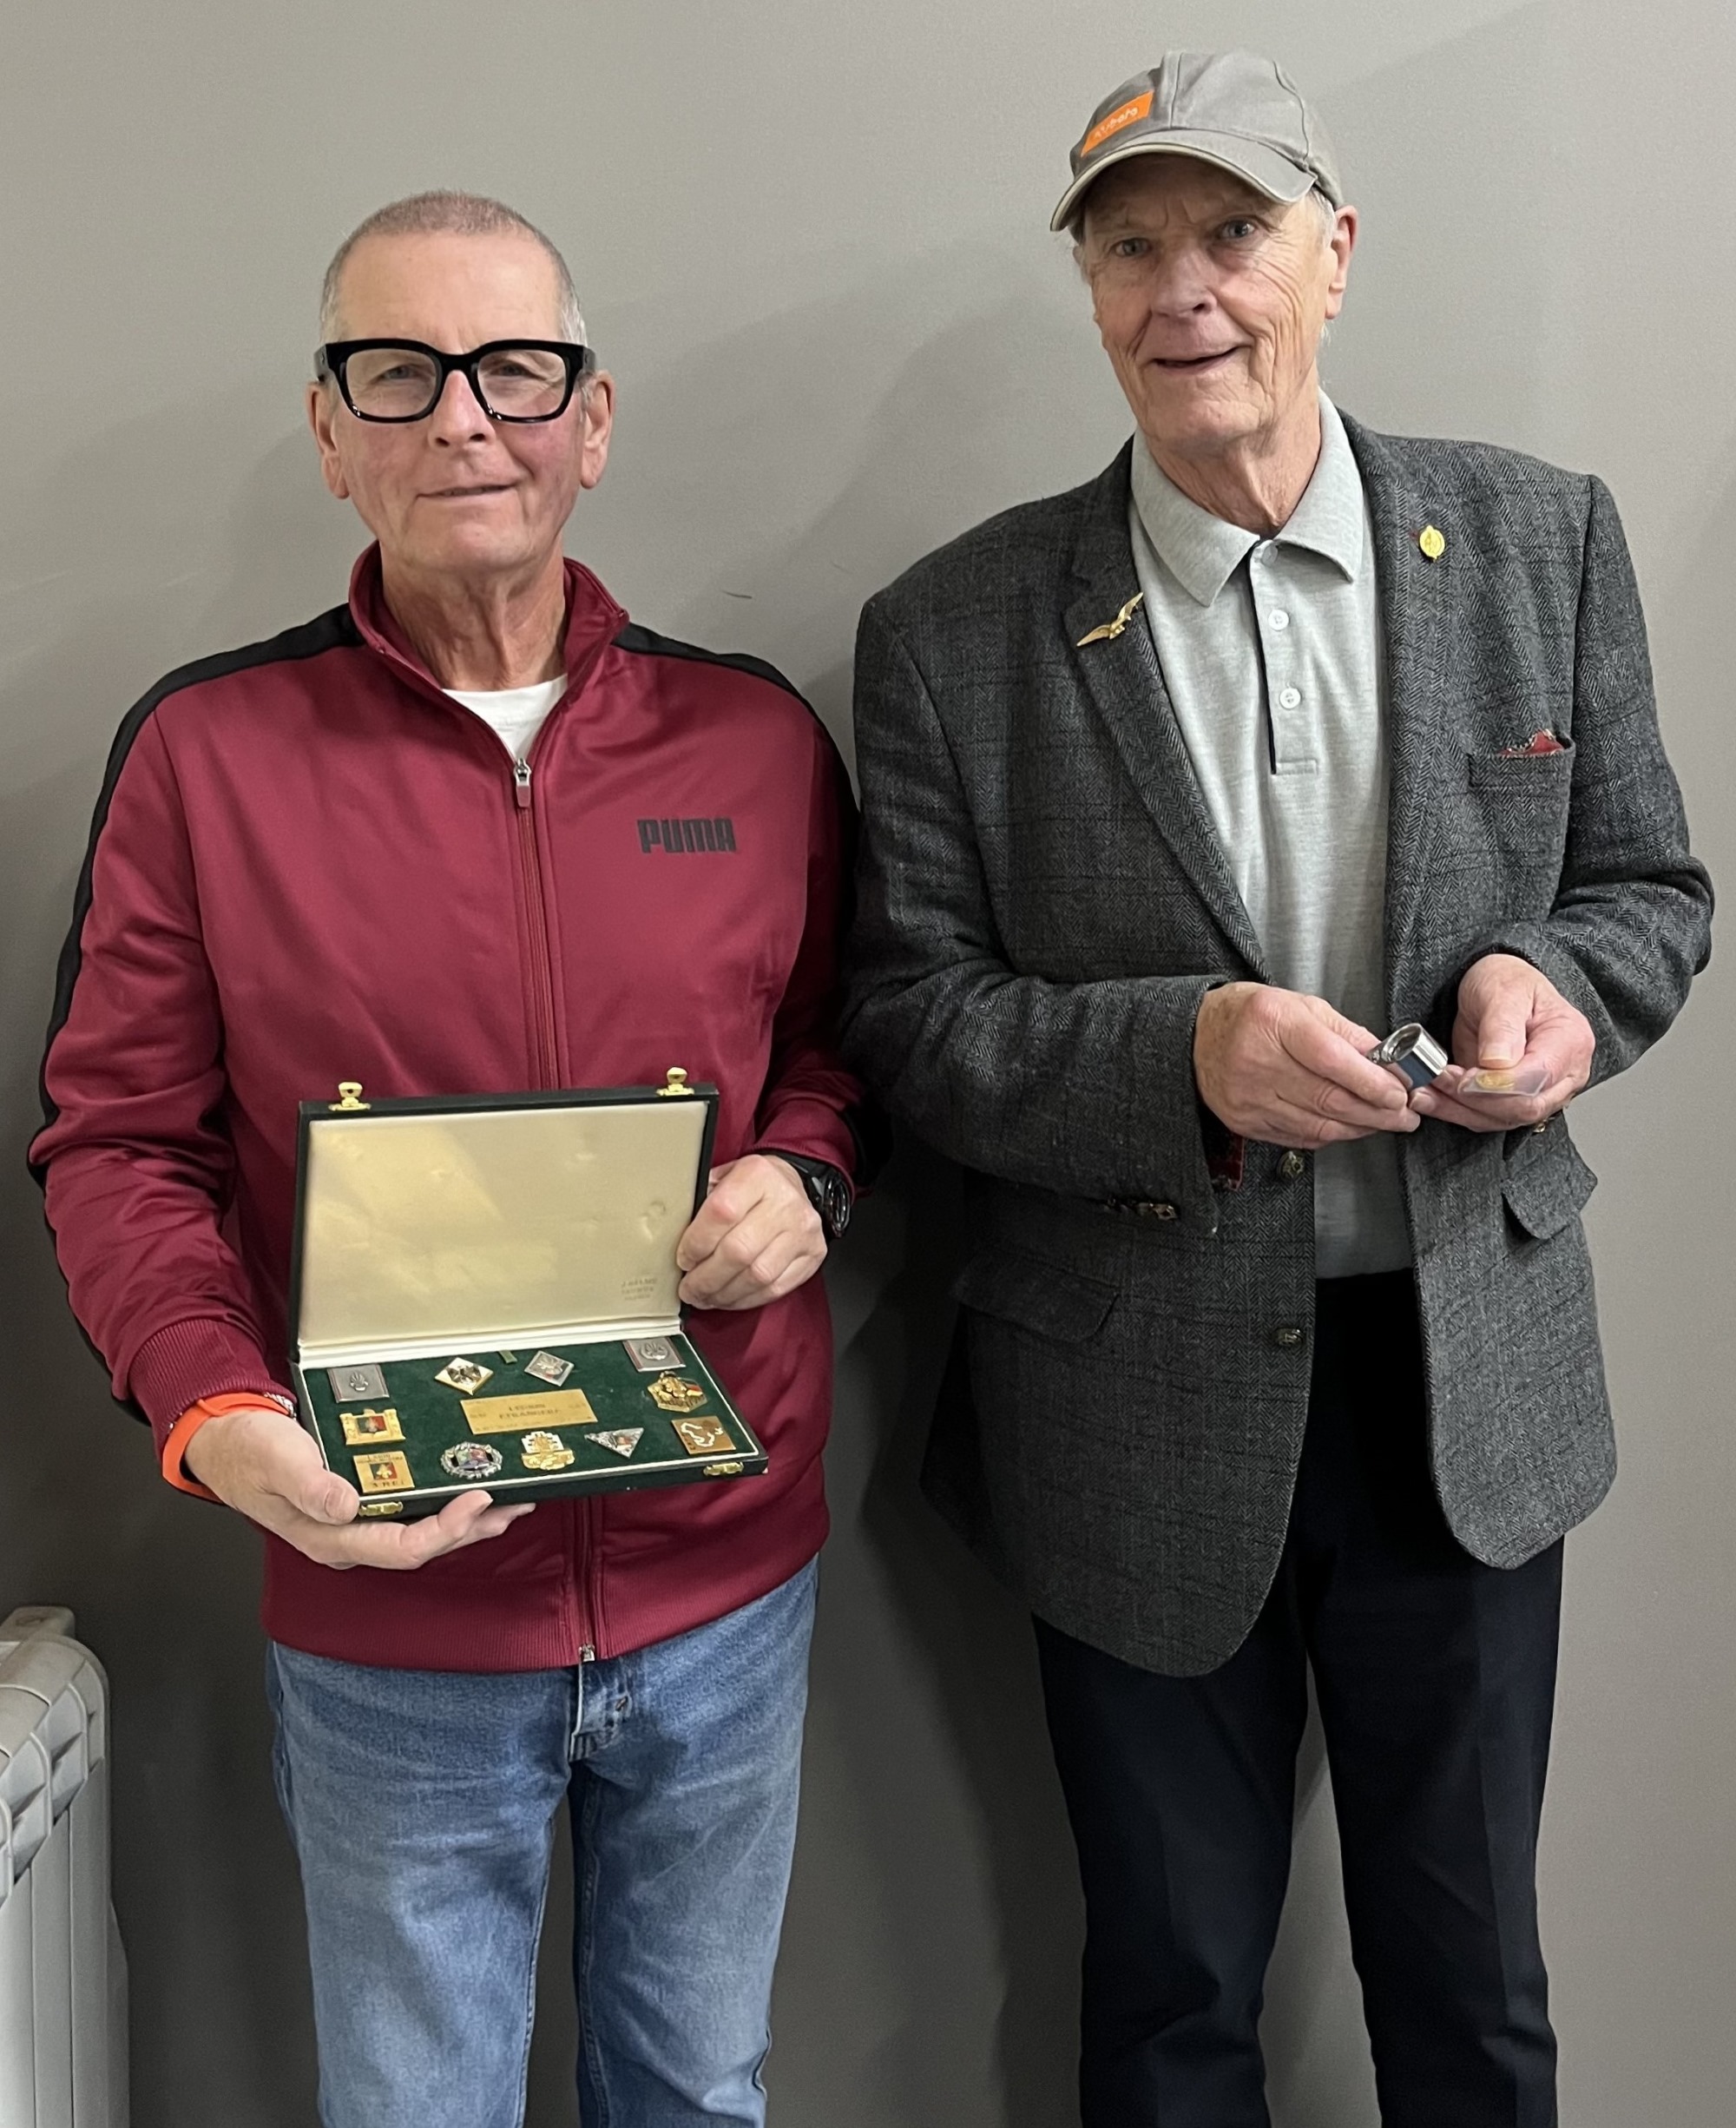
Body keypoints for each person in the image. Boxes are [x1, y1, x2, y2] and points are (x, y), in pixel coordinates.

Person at [843, 50, 1711, 2128]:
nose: (1182, 292)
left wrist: (1550, 978)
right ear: (1088, 289)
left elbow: (1650, 892)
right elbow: (912, 1016)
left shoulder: (1538, 539)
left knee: (1472, 1989)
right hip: (1119, 1411)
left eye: (1231, 232)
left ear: (1332, 252)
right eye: (1126, 246)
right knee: (1163, 2003)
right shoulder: (954, 630)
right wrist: (1184, 1055)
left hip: (1463, 1391)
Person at [32, 191, 875, 2128]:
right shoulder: (205, 756)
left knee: (701, 2089)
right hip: (387, 1598)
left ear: (593, 418)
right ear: (330, 430)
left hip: (722, 1585)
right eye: (396, 373)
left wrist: (808, 1179)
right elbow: (119, 1142)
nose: (462, 421)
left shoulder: (752, 742)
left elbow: (839, 1051)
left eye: (515, 370)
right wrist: (220, 1417)